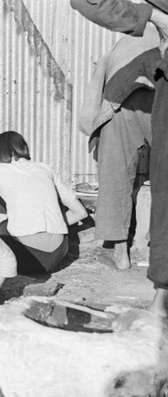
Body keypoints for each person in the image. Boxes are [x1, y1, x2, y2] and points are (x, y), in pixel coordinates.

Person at [70, 0, 168, 317]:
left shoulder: (146, 23)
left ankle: (120, 247)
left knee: (115, 170)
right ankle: (155, 254)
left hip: (120, 95)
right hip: (149, 89)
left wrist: (152, 16)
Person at [0, 131, 88, 274]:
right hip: (58, 254)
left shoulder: (0, 170)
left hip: (28, 258)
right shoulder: (45, 168)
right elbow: (81, 213)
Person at [78, 25, 159, 270]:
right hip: (159, 91)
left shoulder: (136, 31)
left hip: (121, 96)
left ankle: (120, 255)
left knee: (116, 173)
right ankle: (160, 248)